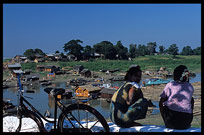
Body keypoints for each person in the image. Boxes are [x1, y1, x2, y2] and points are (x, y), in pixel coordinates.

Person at [159, 65, 194, 129]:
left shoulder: (170, 85)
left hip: (171, 121)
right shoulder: (190, 87)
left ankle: (167, 122)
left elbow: (161, 102)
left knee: (163, 102)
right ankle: (189, 123)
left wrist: (165, 120)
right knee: (191, 100)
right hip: (185, 123)